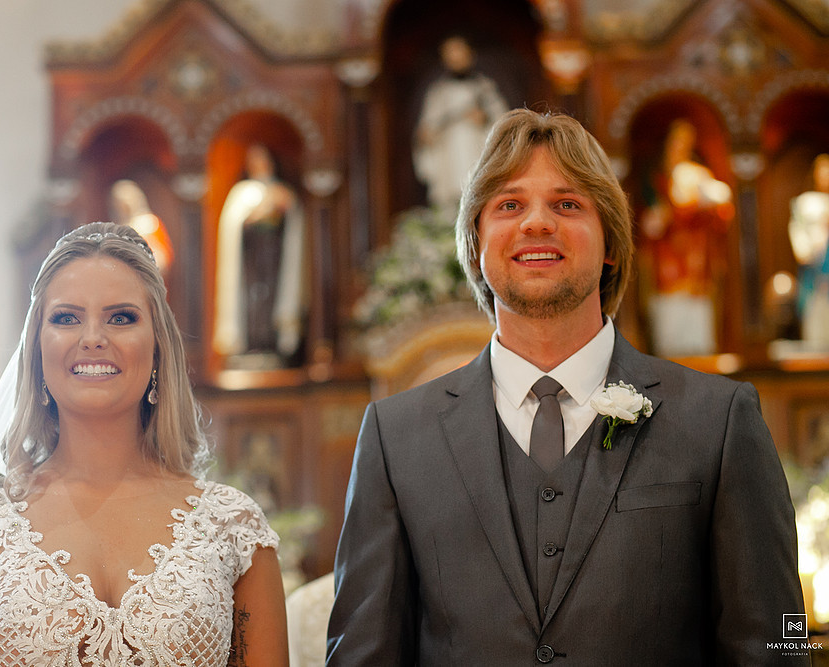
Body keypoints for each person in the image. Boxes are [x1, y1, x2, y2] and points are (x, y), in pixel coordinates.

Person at [327, 109, 806, 664]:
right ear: (477, 243)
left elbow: (780, 638)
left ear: (610, 245)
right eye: (509, 204)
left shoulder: (720, 419)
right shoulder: (394, 437)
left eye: (567, 204)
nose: (536, 223)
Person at [0, 223, 288, 666]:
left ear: (158, 350)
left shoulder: (233, 528)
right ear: (37, 350)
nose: (93, 337)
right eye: (66, 317)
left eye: (121, 317)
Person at [639, 118, 734, 357]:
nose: (681, 146)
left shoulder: (697, 173)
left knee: (697, 330)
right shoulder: (657, 178)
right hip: (668, 257)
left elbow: (721, 206)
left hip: (696, 258)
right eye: (677, 141)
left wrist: (708, 203)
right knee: (670, 329)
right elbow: (649, 220)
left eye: (686, 142)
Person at [213, 143, 307, 367]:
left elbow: (292, 221)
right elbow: (236, 226)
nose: (260, 164)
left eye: (263, 159)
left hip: (275, 259)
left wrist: (279, 208)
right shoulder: (242, 192)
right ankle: (251, 343)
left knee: (270, 302)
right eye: (254, 160)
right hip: (251, 259)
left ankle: (272, 344)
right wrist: (257, 215)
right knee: (253, 302)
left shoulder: (281, 190)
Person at [413, 35, 509, 211]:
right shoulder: (439, 92)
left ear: (470, 55)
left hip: (476, 151)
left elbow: (502, 122)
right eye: (451, 55)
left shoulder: (484, 87)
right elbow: (428, 127)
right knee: (450, 201)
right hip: (448, 157)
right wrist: (427, 135)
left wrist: (485, 119)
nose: (455, 59)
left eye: (459, 53)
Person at [788, 153, 829, 346]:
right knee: (816, 323)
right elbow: (798, 230)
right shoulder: (807, 202)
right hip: (815, 270)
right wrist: (804, 251)